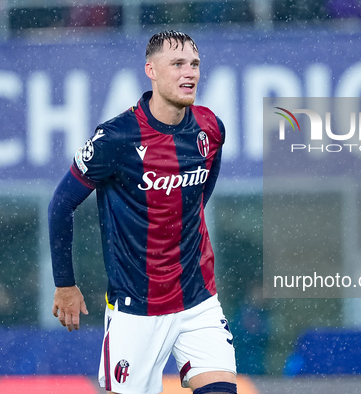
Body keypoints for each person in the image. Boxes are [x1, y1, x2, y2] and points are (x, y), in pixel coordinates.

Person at [48, 30, 237, 394]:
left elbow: (200, 195)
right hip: (137, 308)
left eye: (195, 64)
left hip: (197, 298)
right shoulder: (115, 138)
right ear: (150, 70)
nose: (190, 73)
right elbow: (61, 205)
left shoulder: (210, 127)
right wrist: (64, 285)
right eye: (178, 64)